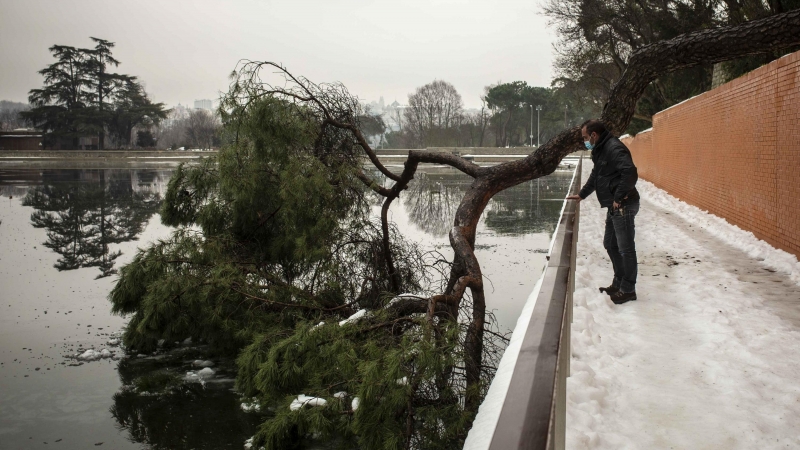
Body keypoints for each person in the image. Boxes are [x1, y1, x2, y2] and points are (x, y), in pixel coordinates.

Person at [566, 119, 640, 304]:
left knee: (626, 249)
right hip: (615, 206)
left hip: (624, 204)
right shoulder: (601, 149)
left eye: (585, 137)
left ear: (594, 135)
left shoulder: (614, 148)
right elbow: (596, 175)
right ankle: (618, 283)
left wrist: (618, 197)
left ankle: (628, 290)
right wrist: (582, 194)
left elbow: (630, 172)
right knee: (610, 244)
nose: (585, 141)